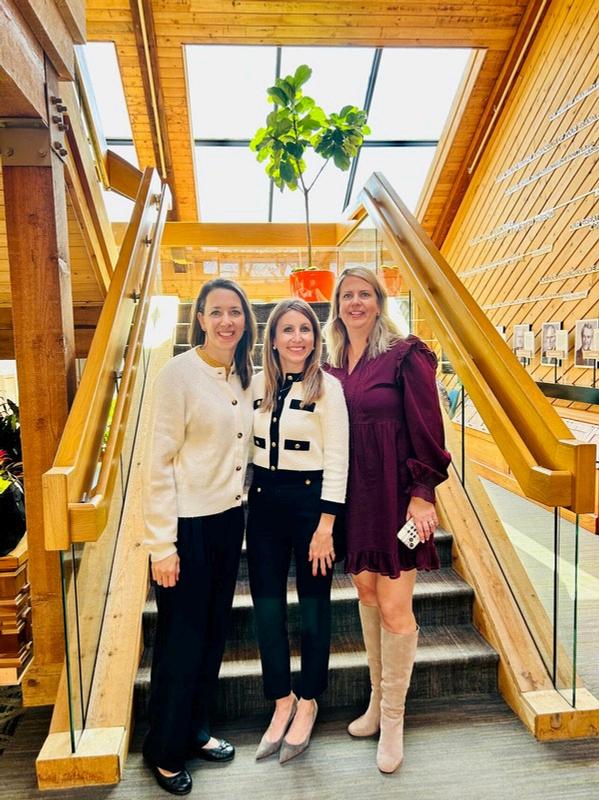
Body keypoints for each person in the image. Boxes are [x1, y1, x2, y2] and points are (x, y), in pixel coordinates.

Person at [324, 267, 451, 774]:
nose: (355, 302)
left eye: (364, 294)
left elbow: (428, 427)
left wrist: (422, 494)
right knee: (367, 593)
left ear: (379, 302)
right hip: (353, 497)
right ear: (336, 306)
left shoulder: (405, 354)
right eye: (346, 295)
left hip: (396, 496)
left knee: (397, 608)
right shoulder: (331, 366)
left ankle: (394, 719)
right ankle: (377, 702)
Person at [142, 278, 256, 795]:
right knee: (180, 641)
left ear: (245, 320)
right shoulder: (178, 374)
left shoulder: (244, 376)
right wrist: (161, 545)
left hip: (229, 520)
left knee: (212, 634)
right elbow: (157, 463)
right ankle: (164, 750)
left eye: (235, 312)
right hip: (186, 528)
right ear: (201, 319)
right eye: (217, 312)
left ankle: (196, 730)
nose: (226, 321)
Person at [247, 298, 349, 764]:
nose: (297, 338)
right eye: (287, 329)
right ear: (272, 338)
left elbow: (339, 460)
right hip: (263, 505)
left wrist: (327, 525)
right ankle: (281, 699)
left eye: (305, 329)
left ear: (315, 337)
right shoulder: (254, 385)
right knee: (267, 609)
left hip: (311, 509)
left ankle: (308, 700)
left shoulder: (328, 389)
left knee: (313, 608)